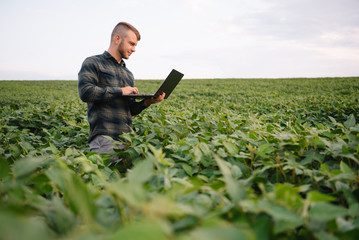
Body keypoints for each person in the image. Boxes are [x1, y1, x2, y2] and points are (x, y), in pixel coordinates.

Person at [78, 22, 165, 165]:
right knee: (105, 183)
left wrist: (147, 103)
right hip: (104, 137)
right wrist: (121, 91)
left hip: (127, 140)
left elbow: (129, 110)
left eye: (135, 45)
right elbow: (85, 92)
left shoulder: (128, 74)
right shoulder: (93, 63)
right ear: (117, 39)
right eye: (131, 44)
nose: (134, 49)